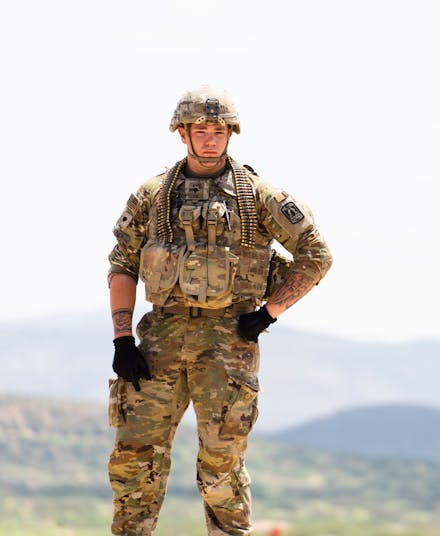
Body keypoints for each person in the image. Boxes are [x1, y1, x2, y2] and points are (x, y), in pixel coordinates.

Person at [106, 85, 333, 535]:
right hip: (159, 343)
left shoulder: (258, 196)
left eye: (218, 130)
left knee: (221, 468)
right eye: (201, 130)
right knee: (135, 462)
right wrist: (122, 338)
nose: (210, 139)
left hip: (228, 343)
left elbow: (316, 254)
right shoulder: (154, 195)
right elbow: (122, 263)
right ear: (182, 134)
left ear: (231, 134)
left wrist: (270, 312)